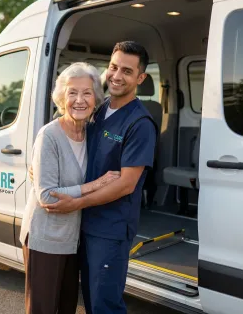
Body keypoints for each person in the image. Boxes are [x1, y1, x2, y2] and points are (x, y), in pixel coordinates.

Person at [42, 41, 157, 314]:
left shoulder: (140, 124)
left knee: (105, 304)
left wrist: (75, 203)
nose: (117, 76)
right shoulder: (99, 109)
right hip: (83, 224)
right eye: (114, 67)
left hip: (110, 230)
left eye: (127, 71)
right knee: (91, 300)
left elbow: (126, 184)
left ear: (140, 78)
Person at [19, 62, 120, 314]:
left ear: (95, 97)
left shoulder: (92, 133)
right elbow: (47, 196)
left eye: (86, 93)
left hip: (73, 238)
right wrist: (95, 185)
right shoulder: (49, 136)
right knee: (43, 309)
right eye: (72, 92)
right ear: (62, 97)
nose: (79, 100)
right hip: (46, 237)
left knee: (66, 307)